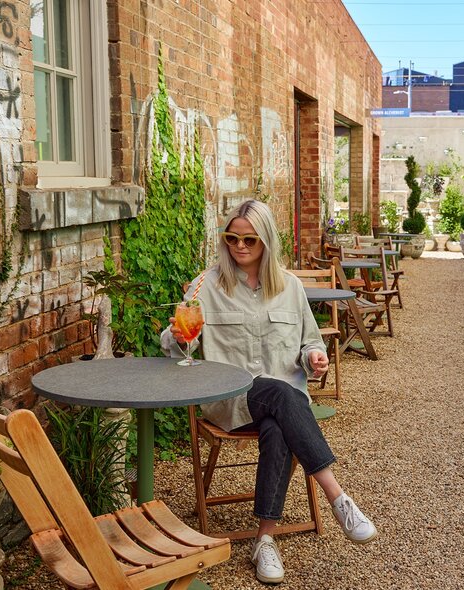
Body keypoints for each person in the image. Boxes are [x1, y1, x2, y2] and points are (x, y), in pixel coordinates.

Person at [161, 199, 377, 584]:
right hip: (230, 398)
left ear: (266, 241)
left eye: (250, 239)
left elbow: (310, 342)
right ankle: (337, 496)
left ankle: (264, 541)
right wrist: (176, 336)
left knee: (279, 424)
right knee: (281, 397)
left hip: (282, 404)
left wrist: (314, 357)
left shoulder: (290, 287)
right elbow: (175, 340)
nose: (240, 246)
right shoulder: (206, 285)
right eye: (233, 238)